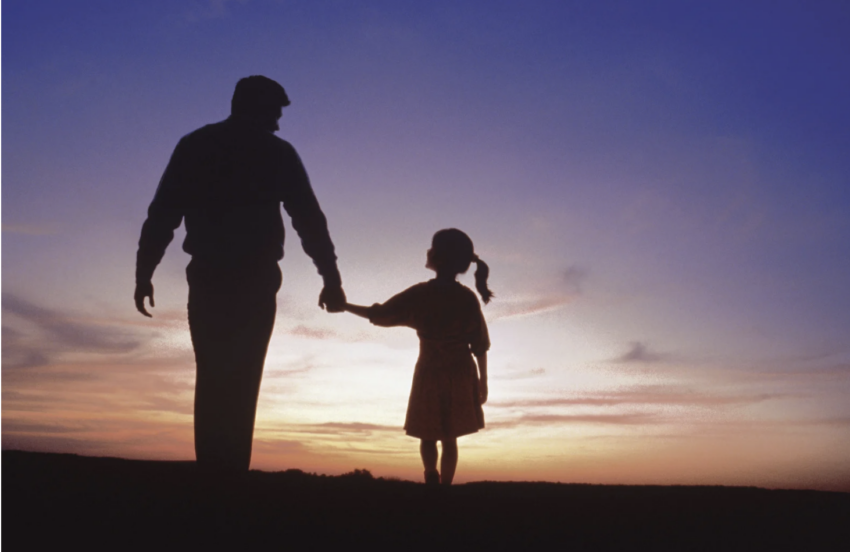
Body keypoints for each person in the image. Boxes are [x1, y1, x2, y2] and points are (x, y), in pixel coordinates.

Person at [134, 76, 345, 472]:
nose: (279, 123)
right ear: (259, 108)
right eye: (276, 114)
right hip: (250, 280)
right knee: (243, 377)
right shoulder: (277, 152)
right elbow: (309, 221)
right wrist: (331, 278)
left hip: (214, 278)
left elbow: (162, 214)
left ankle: (216, 474)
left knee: (213, 375)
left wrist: (145, 270)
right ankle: (228, 476)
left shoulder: (195, 145)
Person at [343, 229, 492, 485]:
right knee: (449, 437)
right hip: (459, 373)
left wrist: (344, 306)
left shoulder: (422, 294)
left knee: (428, 433)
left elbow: (379, 315)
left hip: (430, 372)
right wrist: (483, 381)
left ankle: (431, 477)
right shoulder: (466, 298)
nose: (428, 251)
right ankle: (442, 486)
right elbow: (479, 345)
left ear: (440, 258)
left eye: (432, 248)